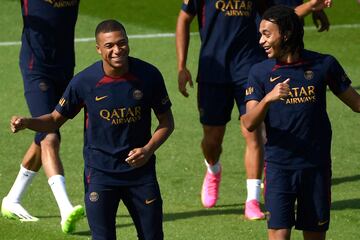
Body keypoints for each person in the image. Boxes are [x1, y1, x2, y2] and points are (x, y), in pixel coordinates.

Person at [10, 19, 174, 240]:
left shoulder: (149, 75)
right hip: (101, 175)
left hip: (140, 175)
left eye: (122, 43)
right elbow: (54, 120)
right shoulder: (85, 82)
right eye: (109, 46)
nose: (117, 50)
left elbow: (166, 122)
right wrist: (28, 122)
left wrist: (148, 149)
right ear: (98, 49)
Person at [175, 0, 331, 220]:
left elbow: (281, 17)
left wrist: (313, 8)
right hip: (213, 71)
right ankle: (213, 169)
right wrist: (181, 66)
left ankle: (253, 200)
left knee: (254, 134)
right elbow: (184, 18)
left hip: (248, 68)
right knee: (212, 140)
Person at [242, 5, 359, 240]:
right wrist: (268, 99)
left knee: (315, 235)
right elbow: (248, 123)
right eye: (260, 34)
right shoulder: (260, 72)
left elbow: (357, 104)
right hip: (279, 169)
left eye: (267, 34)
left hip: (316, 167)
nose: (261, 41)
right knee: (279, 235)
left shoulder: (324, 65)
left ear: (285, 34)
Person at [1, 0, 84, 233]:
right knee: (50, 137)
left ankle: (12, 199)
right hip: (36, 68)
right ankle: (65, 208)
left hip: (65, 68)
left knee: (44, 134)